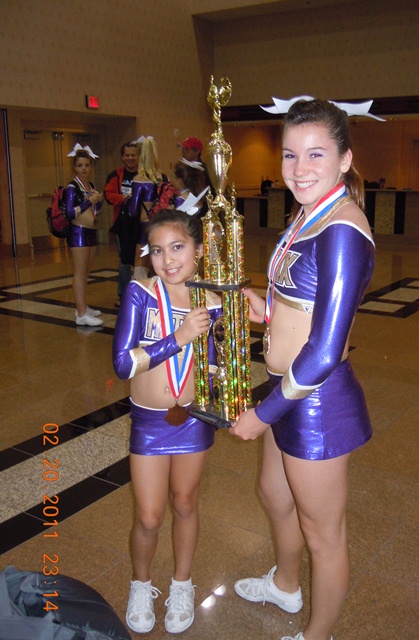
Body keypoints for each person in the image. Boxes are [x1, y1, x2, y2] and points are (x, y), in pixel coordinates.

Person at [230, 98, 376, 640]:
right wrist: (266, 310)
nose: (300, 168)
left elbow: (325, 348)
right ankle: (286, 585)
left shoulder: (343, 228)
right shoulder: (308, 214)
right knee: (274, 495)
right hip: (287, 388)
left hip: (315, 399)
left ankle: (318, 634)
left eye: (316, 154)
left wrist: (263, 414)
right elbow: (306, 302)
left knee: (324, 533)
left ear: (345, 159)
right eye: (290, 155)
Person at [112, 209, 222, 635]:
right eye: (157, 250)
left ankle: (182, 584)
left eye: (177, 247)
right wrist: (177, 338)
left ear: (198, 249)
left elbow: (218, 363)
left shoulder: (213, 300)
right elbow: (123, 364)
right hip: (149, 421)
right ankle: (141, 584)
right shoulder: (140, 294)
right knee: (149, 516)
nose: (168, 259)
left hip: (193, 419)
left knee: (186, 502)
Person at [64, 146, 104, 326]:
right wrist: (89, 202)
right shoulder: (72, 188)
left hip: (90, 231)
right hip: (78, 232)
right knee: (80, 273)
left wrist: (98, 201)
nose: (84, 169)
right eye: (80, 165)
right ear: (74, 167)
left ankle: (83, 306)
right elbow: (70, 213)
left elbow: (96, 210)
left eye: (87, 165)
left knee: (86, 272)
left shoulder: (90, 186)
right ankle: (81, 314)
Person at [129, 137, 175, 281]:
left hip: (145, 225)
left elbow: (133, 211)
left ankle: (143, 292)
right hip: (161, 223)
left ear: (140, 156)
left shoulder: (139, 179)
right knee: (160, 262)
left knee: (140, 265)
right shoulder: (163, 177)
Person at [104, 141, 140, 307]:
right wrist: (123, 198)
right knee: (124, 260)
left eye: (133, 155)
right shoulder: (115, 175)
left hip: (141, 223)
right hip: (122, 224)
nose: (131, 158)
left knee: (142, 259)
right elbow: (108, 195)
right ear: (122, 157)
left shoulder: (144, 174)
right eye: (127, 155)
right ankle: (123, 295)